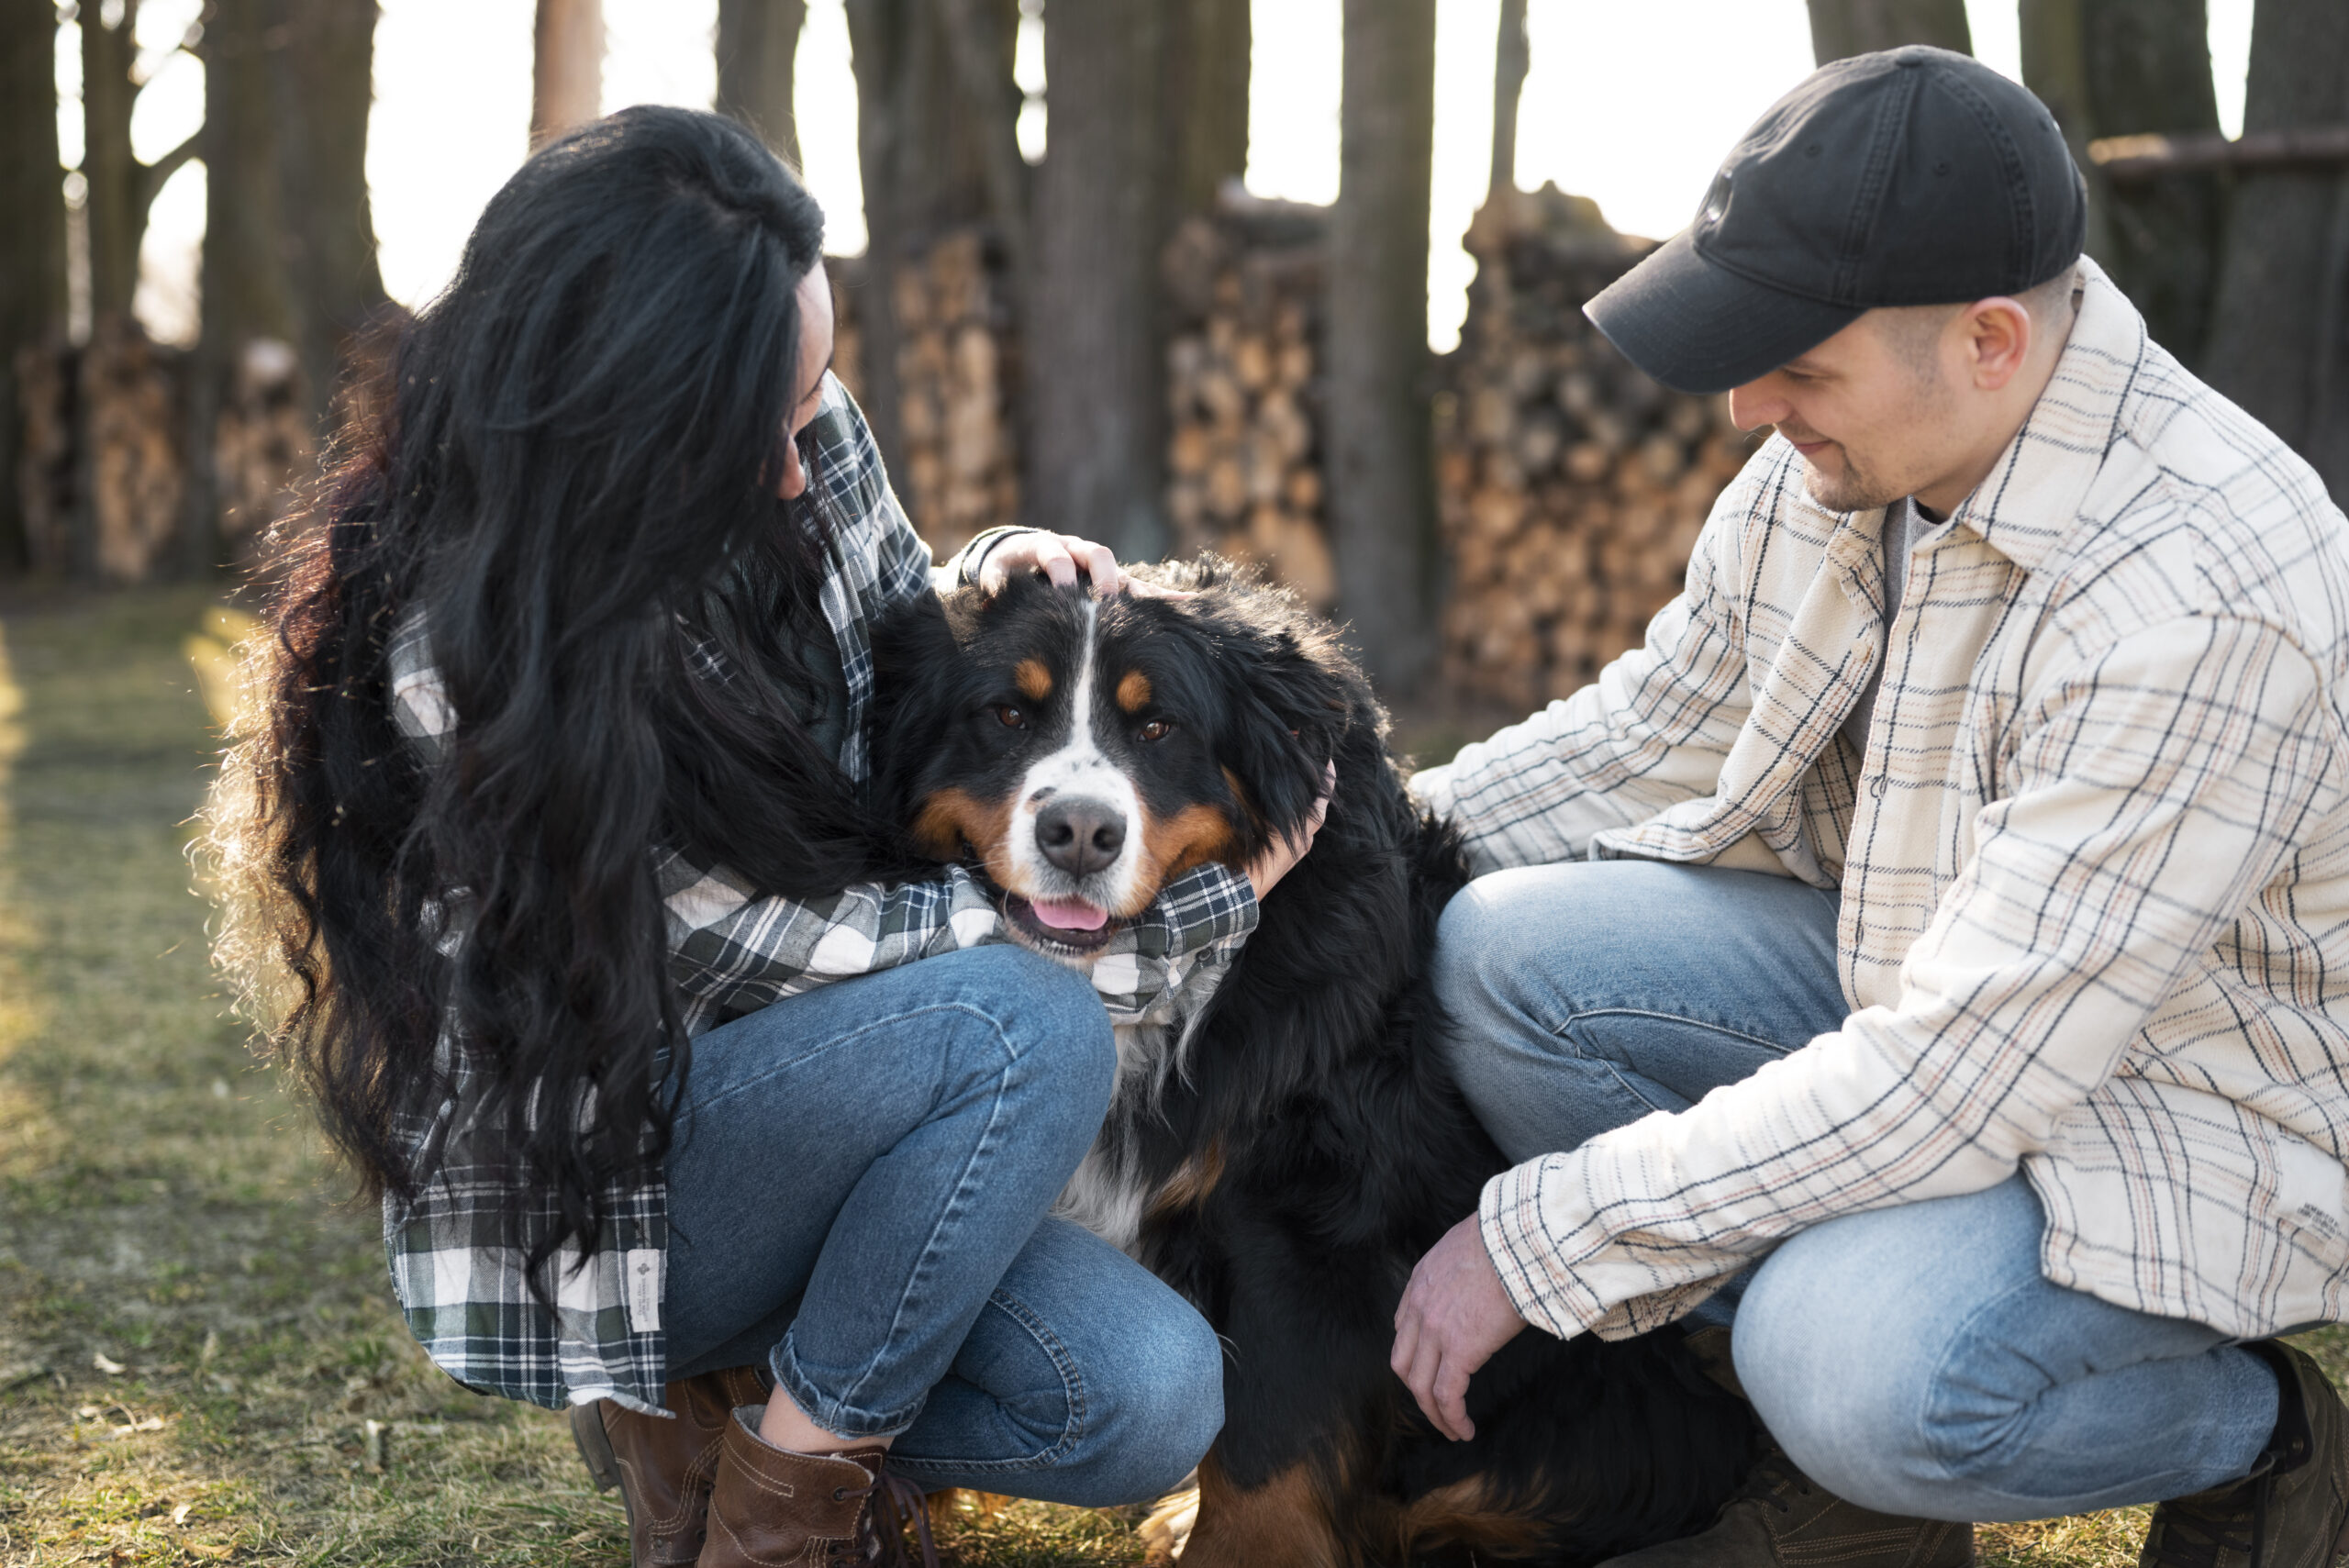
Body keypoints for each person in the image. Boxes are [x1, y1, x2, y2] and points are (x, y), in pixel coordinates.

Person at [209, 106, 1321, 1566]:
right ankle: (781, 1513)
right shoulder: (459, 649)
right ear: (622, 408)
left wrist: (994, 572)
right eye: (762, 425)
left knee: (1145, 1397)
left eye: (811, 402)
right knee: (1025, 1024)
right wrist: (1196, 906)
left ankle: (726, 1422)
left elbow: (892, 636)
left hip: (832, 1114)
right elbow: (801, 952)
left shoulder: (796, 434)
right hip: (617, 1194)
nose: (805, 463)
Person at [1389, 46, 2349, 1568]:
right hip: (1922, 986)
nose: (1747, 408)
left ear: (1984, 341)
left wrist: (1553, 1232)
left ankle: (2262, 1435)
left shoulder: (2197, 595)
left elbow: (1963, 1077)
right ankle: (1842, 1515)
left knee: (1852, 1364)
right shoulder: (1839, 465)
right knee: (1498, 958)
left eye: (1800, 365)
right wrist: (1335, 840)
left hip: (2179, 1116)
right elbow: (1654, 730)